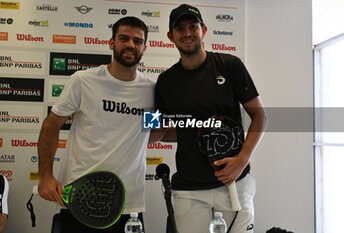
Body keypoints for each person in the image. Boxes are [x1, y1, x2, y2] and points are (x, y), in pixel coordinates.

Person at [37, 16, 157, 233]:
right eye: (124, 38)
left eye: (137, 41)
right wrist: (45, 175)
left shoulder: (152, 90)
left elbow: (152, 132)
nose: (131, 45)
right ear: (111, 43)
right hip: (79, 197)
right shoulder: (83, 80)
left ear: (144, 48)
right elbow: (51, 125)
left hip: (128, 203)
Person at [155, 4, 267, 233]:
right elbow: (160, 131)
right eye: (180, 28)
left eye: (193, 26)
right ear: (170, 36)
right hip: (189, 191)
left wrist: (241, 160)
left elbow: (260, 116)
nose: (187, 33)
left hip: (235, 183)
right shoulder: (166, 82)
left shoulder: (230, 65)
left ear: (203, 30)